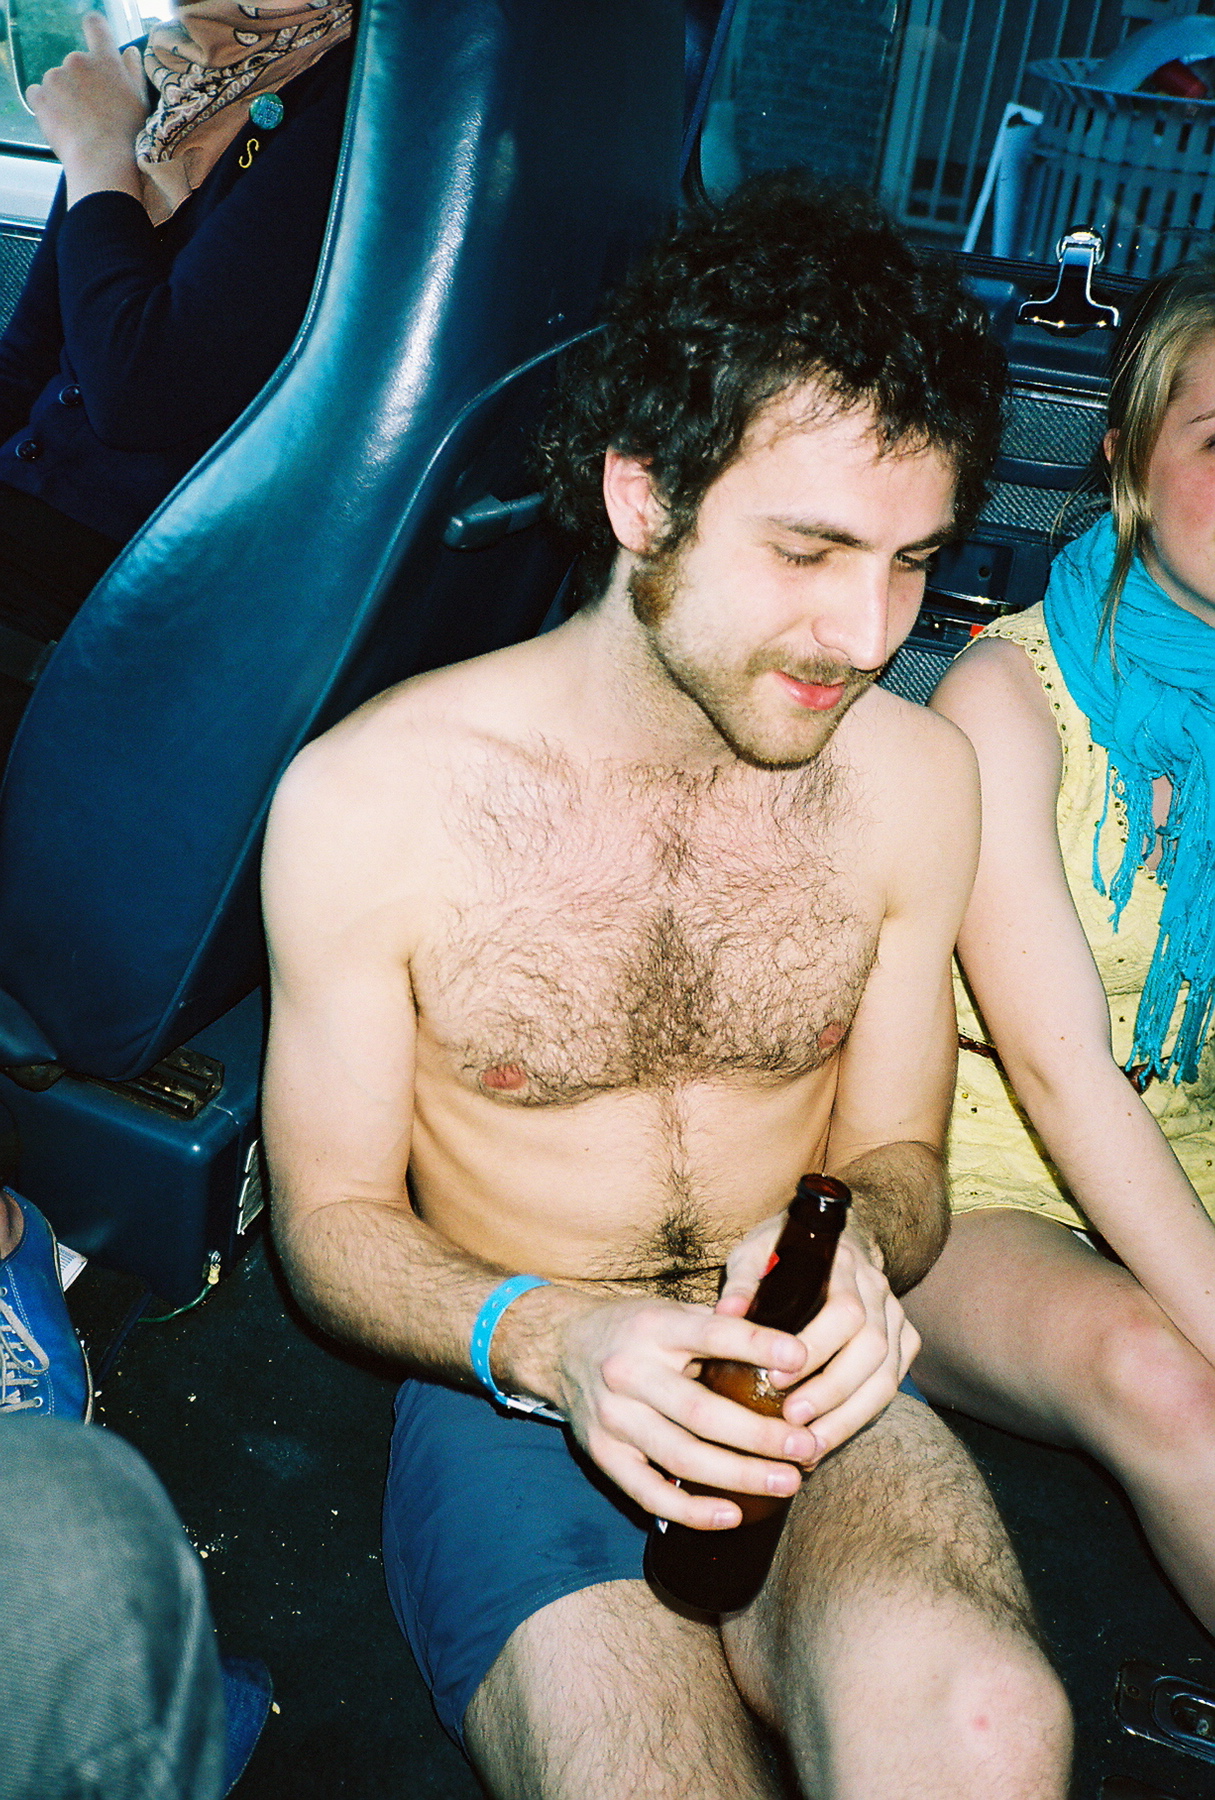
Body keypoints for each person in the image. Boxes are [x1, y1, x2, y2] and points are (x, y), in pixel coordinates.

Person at [261, 175, 1071, 1798]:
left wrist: (862, 1254)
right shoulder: (370, 801)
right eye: (808, 550)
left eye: (911, 561)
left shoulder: (915, 781)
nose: (867, 631)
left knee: (990, 1732)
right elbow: (330, 1221)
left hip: (801, 1373)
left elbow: (899, 1157)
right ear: (642, 496)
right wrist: (555, 1340)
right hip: (514, 1382)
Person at [903, 259, 1215, 1634]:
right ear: (1130, 458)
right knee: (1164, 1376)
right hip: (979, 1186)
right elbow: (1059, 1070)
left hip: (1191, 1152)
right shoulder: (1003, 699)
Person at [0, 0, 353, 753]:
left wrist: (99, 156)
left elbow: (140, 391)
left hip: (125, 581)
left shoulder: (356, 102)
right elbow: (31, 353)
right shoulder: (171, 68)